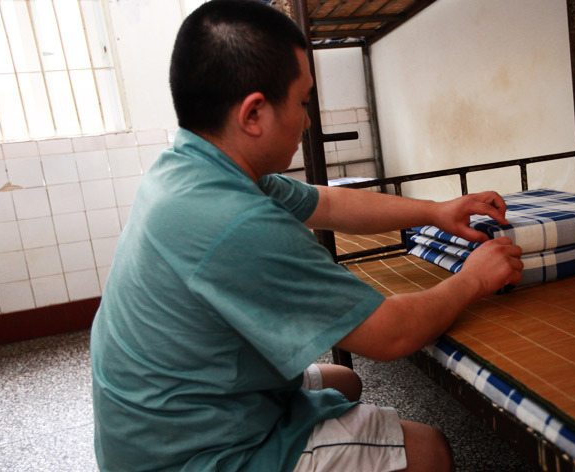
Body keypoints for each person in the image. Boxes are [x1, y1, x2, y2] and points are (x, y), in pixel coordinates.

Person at [89, 1, 523, 471]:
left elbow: (329, 203)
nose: (308, 120)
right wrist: (473, 280)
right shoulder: (237, 221)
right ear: (254, 113)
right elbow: (391, 334)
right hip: (189, 454)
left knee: (343, 382)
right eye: (302, 102)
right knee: (429, 450)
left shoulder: (191, 168)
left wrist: (435, 211)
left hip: (154, 421)